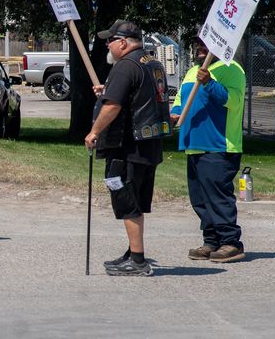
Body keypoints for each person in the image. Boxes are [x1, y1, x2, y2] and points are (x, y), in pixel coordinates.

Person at [84, 20, 171, 277]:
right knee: (136, 200)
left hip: (128, 145)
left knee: (126, 199)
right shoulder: (151, 63)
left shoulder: (125, 66)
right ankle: (133, 252)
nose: (107, 46)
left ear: (123, 42)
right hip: (149, 144)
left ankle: (138, 261)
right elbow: (137, 95)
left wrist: (94, 132)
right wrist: (107, 91)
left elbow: (113, 107)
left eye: (109, 41)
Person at [171, 37, 246, 263]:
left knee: (217, 197)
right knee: (200, 199)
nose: (200, 49)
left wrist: (209, 83)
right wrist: (175, 111)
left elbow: (233, 100)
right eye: (198, 45)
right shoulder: (192, 71)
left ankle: (230, 242)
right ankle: (211, 241)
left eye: (205, 44)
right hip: (193, 144)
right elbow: (180, 98)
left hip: (219, 145)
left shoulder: (231, 68)